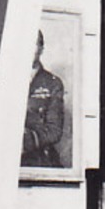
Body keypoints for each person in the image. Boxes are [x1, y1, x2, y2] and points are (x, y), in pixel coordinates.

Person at [23, 29, 67, 168]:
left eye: (34, 44)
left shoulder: (52, 83)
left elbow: (55, 131)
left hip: (38, 161)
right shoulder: (3, 79)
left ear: (41, 48)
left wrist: (27, 140)